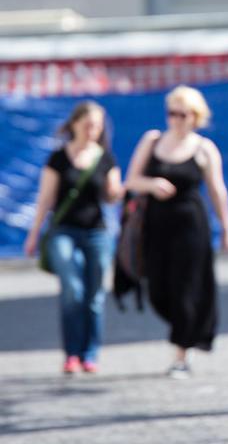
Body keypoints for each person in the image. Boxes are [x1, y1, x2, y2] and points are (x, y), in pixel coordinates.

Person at [125, 85, 228, 378]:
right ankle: (183, 333)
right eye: (171, 113)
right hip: (155, 228)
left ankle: (180, 354)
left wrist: (227, 226)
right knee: (159, 290)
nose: (175, 119)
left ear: (195, 116)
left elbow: (217, 189)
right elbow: (131, 180)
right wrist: (152, 185)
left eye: (182, 114)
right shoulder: (152, 140)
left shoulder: (203, 148)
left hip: (191, 228)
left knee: (186, 289)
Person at [24, 101, 123, 374]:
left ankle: (90, 353)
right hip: (63, 231)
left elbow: (112, 195)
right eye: (88, 124)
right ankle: (71, 353)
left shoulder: (105, 157)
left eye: (97, 126)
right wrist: (34, 234)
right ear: (75, 124)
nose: (92, 130)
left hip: (97, 232)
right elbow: (45, 199)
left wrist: (116, 191)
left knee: (94, 297)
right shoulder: (58, 157)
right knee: (72, 290)